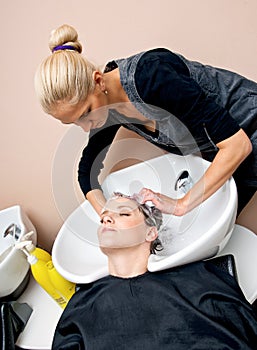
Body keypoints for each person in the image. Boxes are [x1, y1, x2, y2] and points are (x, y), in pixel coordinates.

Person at [34, 24, 257, 217]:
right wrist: (107, 213)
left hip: (250, 125)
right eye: (74, 123)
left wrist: (180, 205)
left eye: (85, 113)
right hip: (226, 148)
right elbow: (86, 171)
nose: (85, 127)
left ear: (99, 81)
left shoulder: (153, 77)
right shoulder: (106, 110)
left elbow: (237, 145)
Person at [52, 193, 257, 349]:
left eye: (123, 213)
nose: (106, 219)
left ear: (150, 232)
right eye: (103, 218)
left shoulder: (199, 278)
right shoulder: (81, 305)